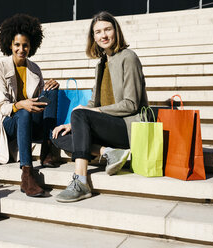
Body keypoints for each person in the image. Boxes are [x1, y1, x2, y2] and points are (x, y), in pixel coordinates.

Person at [52, 11, 149, 203]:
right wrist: (72, 124)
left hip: (127, 127)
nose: (103, 35)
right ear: (93, 37)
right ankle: (107, 152)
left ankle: (80, 181)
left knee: (80, 113)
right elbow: (93, 103)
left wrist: (88, 113)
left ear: (116, 31)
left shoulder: (128, 57)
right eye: (98, 32)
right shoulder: (102, 63)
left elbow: (131, 104)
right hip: (107, 127)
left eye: (107, 29)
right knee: (57, 134)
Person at [0, 14, 59, 197]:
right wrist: (20, 104)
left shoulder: (35, 69)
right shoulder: (0, 67)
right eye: (17, 45)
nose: (21, 49)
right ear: (10, 45)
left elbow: (38, 102)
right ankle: (27, 173)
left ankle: (47, 148)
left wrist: (48, 89)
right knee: (23, 112)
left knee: (52, 91)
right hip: (9, 123)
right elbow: (2, 107)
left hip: (30, 120)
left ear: (31, 46)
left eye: (25, 45)